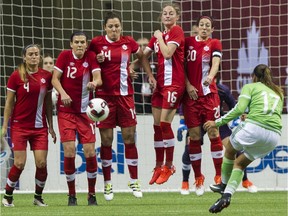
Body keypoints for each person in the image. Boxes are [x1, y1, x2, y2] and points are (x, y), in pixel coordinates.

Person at [88, 12, 156, 201]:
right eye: (111, 26)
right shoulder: (96, 43)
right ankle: (108, 184)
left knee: (129, 138)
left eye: (117, 26)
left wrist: (145, 73)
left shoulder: (129, 42)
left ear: (121, 26)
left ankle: (134, 180)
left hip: (126, 97)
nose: (114, 29)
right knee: (107, 140)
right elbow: (87, 59)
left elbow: (142, 56)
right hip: (104, 99)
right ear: (105, 28)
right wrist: (96, 59)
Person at [204, 64, 283, 213]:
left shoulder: (250, 87)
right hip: (273, 136)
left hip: (254, 128)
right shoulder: (278, 92)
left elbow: (239, 109)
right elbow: (269, 113)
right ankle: (226, 196)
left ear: (254, 76)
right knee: (239, 163)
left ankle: (223, 185)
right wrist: (250, 115)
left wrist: (217, 122)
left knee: (229, 150)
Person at [178, 76, 257, 195]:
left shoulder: (222, 90)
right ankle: (185, 182)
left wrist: (236, 119)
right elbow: (183, 105)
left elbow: (233, 104)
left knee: (233, 148)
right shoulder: (193, 88)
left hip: (217, 122)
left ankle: (245, 180)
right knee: (189, 148)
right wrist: (182, 122)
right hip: (198, 121)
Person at [1, 44, 56, 207]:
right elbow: (9, 103)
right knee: (19, 163)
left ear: (40, 57)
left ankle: (38, 197)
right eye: (30, 54)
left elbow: (47, 103)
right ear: (24, 57)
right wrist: (4, 127)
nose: (33, 56)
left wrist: (51, 126)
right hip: (19, 126)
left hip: (39, 128)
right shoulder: (16, 76)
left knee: (41, 163)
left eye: (36, 54)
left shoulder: (46, 76)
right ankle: (8, 196)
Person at [52, 31, 102, 206]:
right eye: (77, 42)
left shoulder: (91, 56)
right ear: (71, 44)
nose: (80, 45)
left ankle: (92, 194)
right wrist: (63, 93)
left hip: (85, 113)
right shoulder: (64, 56)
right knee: (70, 151)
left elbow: (98, 78)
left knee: (90, 152)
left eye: (83, 42)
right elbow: (54, 79)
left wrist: (94, 84)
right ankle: (72, 195)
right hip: (66, 112)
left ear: (86, 44)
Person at [141, 3, 185, 185]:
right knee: (157, 126)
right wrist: (149, 75)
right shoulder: (160, 36)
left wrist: (158, 36)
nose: (167, 16)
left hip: (174, 84)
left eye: (171, 13)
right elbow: (142, 56)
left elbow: (167, 54)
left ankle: (169, 165)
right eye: (165, 13)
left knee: (165, 124)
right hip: (160, 85)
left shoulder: (176, 31)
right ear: (161, 16)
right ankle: (158, 166)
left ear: (177, 17)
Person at [182, 15, 224, 196]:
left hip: (209, 96)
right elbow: (180, 68)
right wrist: (188, 86)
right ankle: (198, 177)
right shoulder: (187, 42)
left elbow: (215, 63)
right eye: (201, 25)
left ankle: (219, 176)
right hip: (191, 96)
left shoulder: (214, 43)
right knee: (194, 136)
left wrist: (210, 77)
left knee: (214, 131)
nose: (204, 28)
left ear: (212, 29)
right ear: (196, 28)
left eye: (208, 25)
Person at [133, 37, 155, 114]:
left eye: (145, 45)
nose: (142, 47)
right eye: (140, 45)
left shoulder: (157, 62)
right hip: (138, 105)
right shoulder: (132, 66)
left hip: (154, 103)